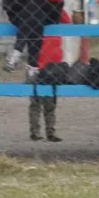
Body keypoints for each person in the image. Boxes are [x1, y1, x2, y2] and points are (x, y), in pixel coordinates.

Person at [29, 13, 66, 143]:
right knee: (36, 103)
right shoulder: (35, 18)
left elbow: (67, 20)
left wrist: (56, 8)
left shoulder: (56, 18)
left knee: (50, 103)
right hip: (37, 68)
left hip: (54, 69)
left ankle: (50, 132)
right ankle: (35, 132)